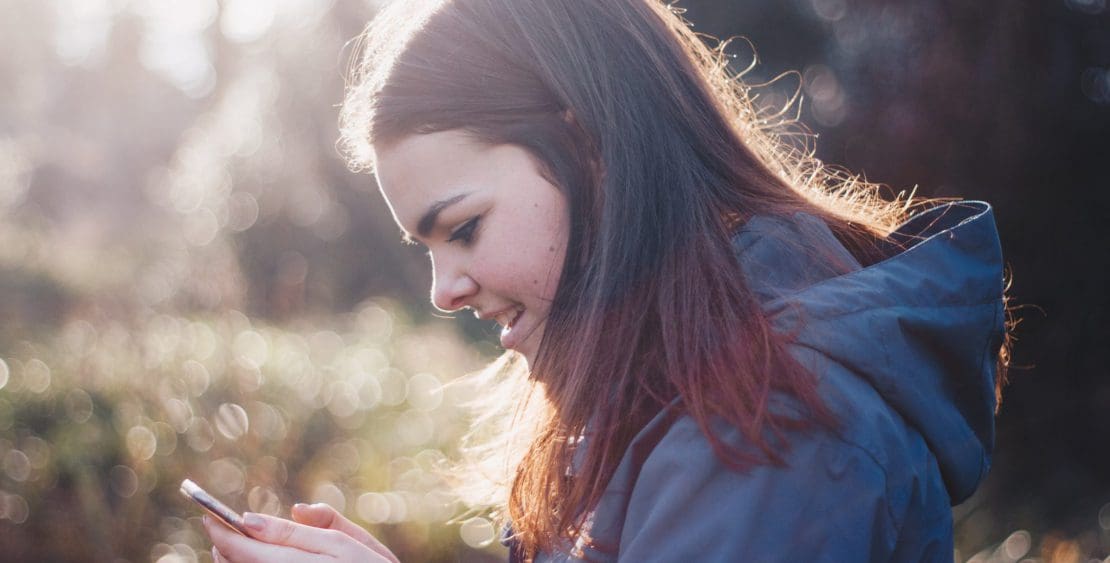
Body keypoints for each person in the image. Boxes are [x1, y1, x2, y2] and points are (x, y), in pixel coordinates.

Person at [203, 0, 1008, 561]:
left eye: (464, 228)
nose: (444, 288)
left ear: (590, 150)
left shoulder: (772, 424)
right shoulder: (680, 389)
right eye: (427, 247)